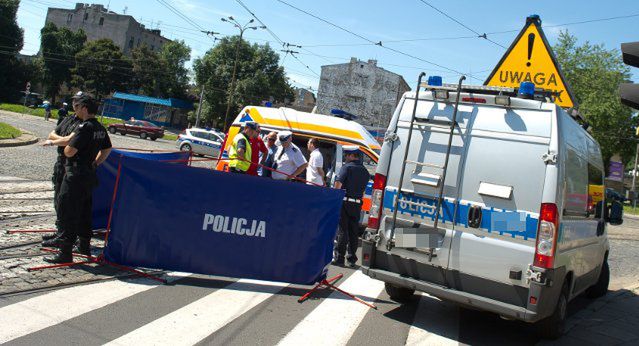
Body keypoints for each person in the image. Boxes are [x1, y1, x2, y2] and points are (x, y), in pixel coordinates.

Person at [43, 92, 112, 263]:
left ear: (85, 108)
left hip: (74, 173)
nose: (77, 108)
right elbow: (107, 149)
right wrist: (95, 163)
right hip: (88, 173)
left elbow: (69, 150)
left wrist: (64, 147)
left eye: (79, 106)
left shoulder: (85, 127)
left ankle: (65, 252)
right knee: (84, 210)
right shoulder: (100, 128)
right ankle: (84, 245)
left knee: (68, 210)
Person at [41, 108, 81, 244]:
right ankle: (60, 231)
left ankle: (66, 235)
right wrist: (62, 140)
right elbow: (51, 134)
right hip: (60, 162)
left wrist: (60, 140)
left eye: (78, 103)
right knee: (58, 196)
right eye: (74, 102)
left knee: (66, 201)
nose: (75, 105)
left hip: (71, 163)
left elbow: (69, 141)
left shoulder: (84, 125)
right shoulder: (69, 119)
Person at [332, 145, 370, 267]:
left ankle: (340, 258)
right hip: (357, 204)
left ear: (351, 155)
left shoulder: (346, 168)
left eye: (346, 155)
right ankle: (352, 259)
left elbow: (338, 185)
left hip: (345, 202)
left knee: (343, 231)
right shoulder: (365, 171)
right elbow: (363, 190)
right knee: (354, 232)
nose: (345, 157)